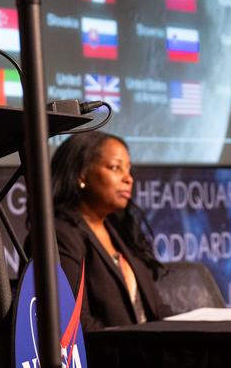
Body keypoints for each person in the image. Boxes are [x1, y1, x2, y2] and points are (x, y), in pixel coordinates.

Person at [48, 132, 170, 330]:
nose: (128, 178)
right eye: (115, 168)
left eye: (129, 169)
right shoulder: (60, 235)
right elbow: (75, 324)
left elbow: (156, 310)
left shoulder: (121, 232)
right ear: (82, 175)